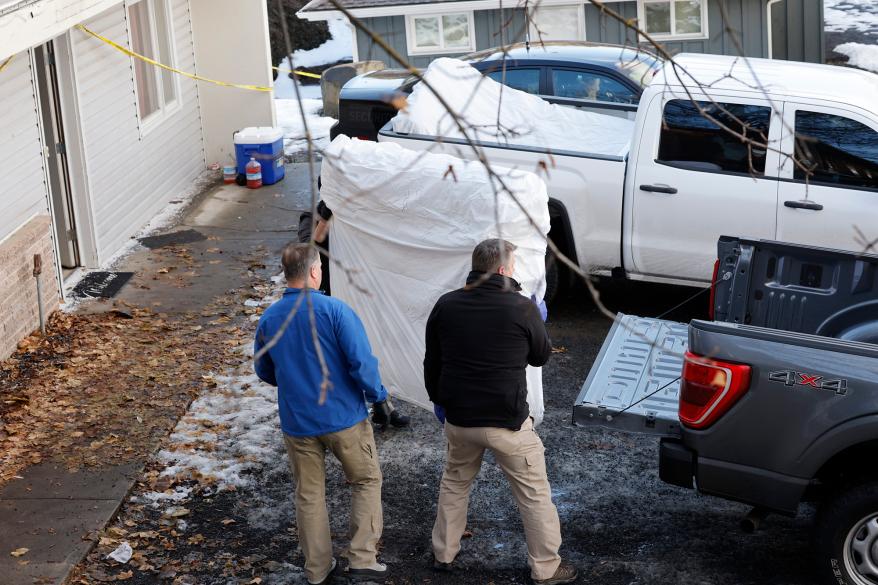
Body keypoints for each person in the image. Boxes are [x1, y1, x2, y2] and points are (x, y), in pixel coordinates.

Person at [424, 238, 578, 585]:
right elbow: (540, 356)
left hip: (460, 419)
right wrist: (535, 323)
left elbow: (431, 361)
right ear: (505, 269)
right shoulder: (521, 308)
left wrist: (441, 401)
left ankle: (443, 555)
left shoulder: (446, 305)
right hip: (507, 423)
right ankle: (546, 568)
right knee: (533, 493)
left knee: (454, 483)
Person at [254, 243, 392, 585]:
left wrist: (293, 381)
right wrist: (380, 398)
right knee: (366, 480)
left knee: (309, 494)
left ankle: (317, 569)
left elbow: (264, 369)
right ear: (315, 271)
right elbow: (361, 363)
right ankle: (361, 558)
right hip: (344, 418)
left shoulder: (271, 318)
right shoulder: (336, 311)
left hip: (298, 422)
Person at [297, 197, 411, 429]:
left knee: (370, 349)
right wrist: (325, 219)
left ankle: (383, 405)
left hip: (362, 293)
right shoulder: (312, 215)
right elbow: (309, 248)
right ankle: (348, 408)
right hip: (328, 297)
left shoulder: (358, 212)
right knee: (343, 356)